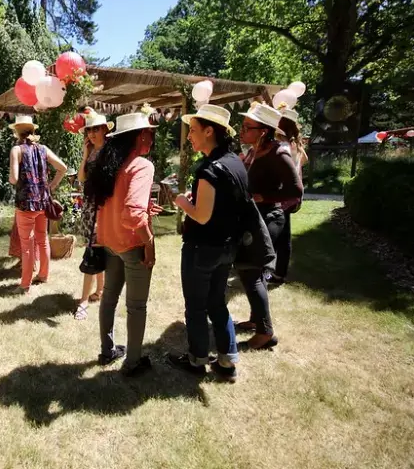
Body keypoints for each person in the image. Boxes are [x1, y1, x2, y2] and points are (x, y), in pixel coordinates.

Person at [169, 104, 244, 382]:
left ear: (209, 131)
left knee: (197, 306)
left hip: (203, 249)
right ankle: (227, 360)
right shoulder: (236, 162)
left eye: (194, 130)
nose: (189, 136)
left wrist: (182, 202)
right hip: (227, 248)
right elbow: (222, 204)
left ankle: (198, 358)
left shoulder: (209, 168)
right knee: (217, 303)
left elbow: (201, 215)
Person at [84, 112, 157, 377]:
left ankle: (107, 350)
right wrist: (149, 242)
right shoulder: (141, 165)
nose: (152, 136)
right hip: (131, 244)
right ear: (140, 135)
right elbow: (132, 214)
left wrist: (147, 209)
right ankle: (133, 362)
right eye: (150, 132)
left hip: (109, 241)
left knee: (110, 298)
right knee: (136, 306)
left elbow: (118, 204)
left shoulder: (110, 163)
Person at [236, 103, 303, 350]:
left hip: (269, 218)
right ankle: (256, 319)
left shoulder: (278, 153)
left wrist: (265, 197)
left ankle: (266, 332)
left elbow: (296, 190)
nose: (241, 130)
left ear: (263, 131)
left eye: (247, 127)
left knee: (251, 270)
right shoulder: (255, 151)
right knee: (248, 270)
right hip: (255, 217)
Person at [8, 116, 68, 294]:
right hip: (43, 202)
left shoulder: (16, 150)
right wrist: (51, 185)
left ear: (17, 131)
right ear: (33, 130)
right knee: (42, 240)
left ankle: (25, 284)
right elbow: (63, 168)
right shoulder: (43, 149)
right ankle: (43, 275)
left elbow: (13, 179)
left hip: (25, 205)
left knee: (27, 245)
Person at [74, 108, 112, 320]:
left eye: (96, 129)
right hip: (90, 206)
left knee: (93, 251)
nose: (91, 133)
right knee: (95, 249)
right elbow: (81, 178)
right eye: (89, 130)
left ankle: (84, 300)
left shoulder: (110, 152)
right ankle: (100, 290)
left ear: (105, 129)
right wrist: (85, 155)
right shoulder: (93, 152)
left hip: (102, 208)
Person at [271, 107, 308, 284]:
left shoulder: (283, 144)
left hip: (283, 195)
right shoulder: (297, 145)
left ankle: (278, 273)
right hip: (293, 196)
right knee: (283, 234)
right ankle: (279, 271)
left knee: (280, 235)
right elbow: (305, 159)